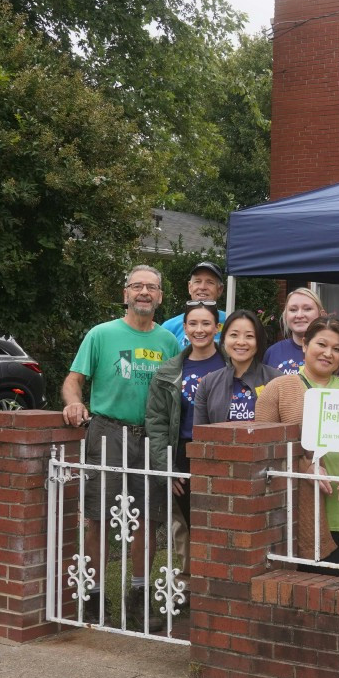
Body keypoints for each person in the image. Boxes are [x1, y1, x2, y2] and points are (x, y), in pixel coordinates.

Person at [61, 264, 181, 623]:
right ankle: (94, 598)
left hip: (152, 437)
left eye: (152, 288)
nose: (144, 292)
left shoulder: (168, 341)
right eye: (137, 286)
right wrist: (73, 402)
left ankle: (139, 595)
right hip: (108, 432)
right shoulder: (101, 334)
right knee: (97, 518)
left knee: (148, 519)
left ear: (160, 297)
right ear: (125, 294)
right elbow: (73, 380)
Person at [258, 318, 339, 566]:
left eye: (337, 348)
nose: (328, 353)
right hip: (301, 507)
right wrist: (305, 468)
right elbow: (265, 451)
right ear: (305, 345)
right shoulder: (278, 389)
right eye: (322, 344)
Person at [144, 301, 225, 576]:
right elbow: (156, 423)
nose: (199, 330)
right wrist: (166, 465)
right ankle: (193, 584)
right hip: (181, 454)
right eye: (193, 324)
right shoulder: (169, 371)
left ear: (217, 327)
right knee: (187, 525)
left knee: (222, 520)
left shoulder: (232, 364)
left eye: (206, 324)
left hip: (220, 454)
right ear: (185, 328)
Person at [192, 310, 282, 424]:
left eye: (249, 336)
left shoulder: (277, 380)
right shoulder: (207, 384)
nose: (241, 342)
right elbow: (200, 435)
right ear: (224, 339)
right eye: (234, 335)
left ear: (258, 341)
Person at [263, 286, 339, 382]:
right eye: (293, 310)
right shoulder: (273, 352)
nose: (299, 315)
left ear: (322, 315)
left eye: (307, 309)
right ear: (285, 316)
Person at [160, 261, 227, 349]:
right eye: (197, 281)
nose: (202, 287)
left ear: (220, 290)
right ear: (190, 287)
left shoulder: (230, 322)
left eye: (210, 282)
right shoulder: (169, 327)